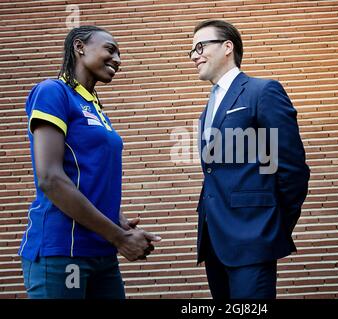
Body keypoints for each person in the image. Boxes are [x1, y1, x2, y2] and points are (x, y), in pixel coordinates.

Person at [18, 25, 161, 299]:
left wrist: (119, 223)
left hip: (102, 251)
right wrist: (119, 238)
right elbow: (50, 179)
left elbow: (86, 180)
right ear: (79, 47)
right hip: (63, 251)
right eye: (110, 49)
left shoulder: (94, 105)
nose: (118, 59)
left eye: (120, 53)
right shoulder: (53, 92)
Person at [189, 20, 310, 299]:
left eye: (200, 47)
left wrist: (272, 225)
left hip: (253, 237)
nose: (194, 56)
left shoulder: (262, 91)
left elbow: (292, 168)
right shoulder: (208, 108)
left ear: (227, 47)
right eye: (191, 52)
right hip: (214, 240)